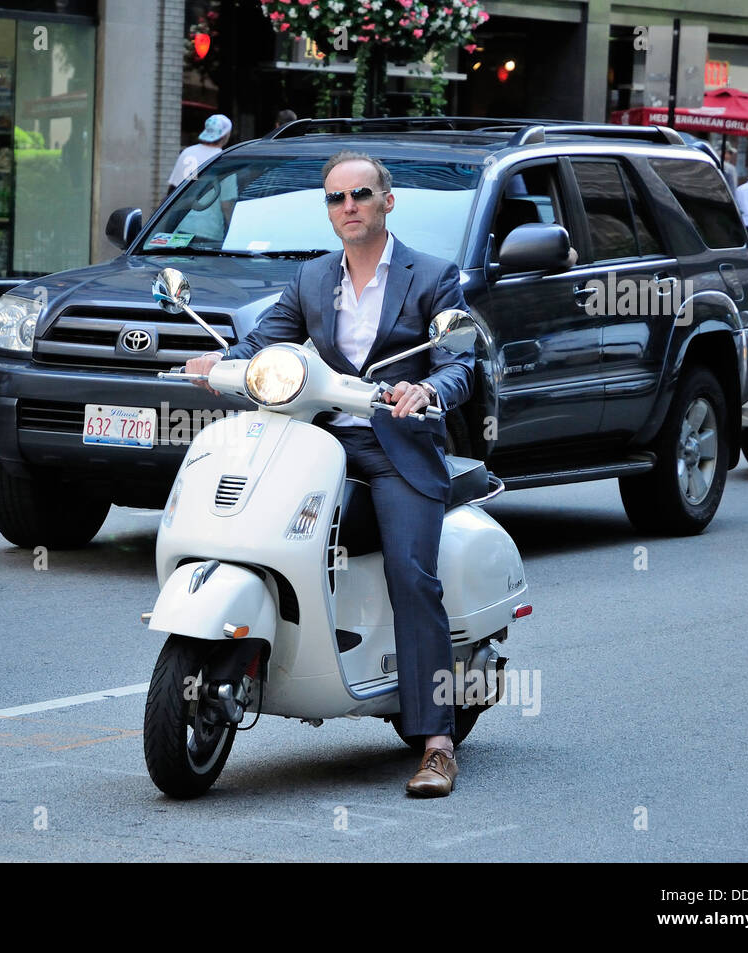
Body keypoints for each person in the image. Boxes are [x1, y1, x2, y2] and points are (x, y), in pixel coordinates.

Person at [185, 150, 474, 797]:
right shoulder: (312, 278)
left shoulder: (431, 275)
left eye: (361, 194)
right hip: (323, 444)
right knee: (267, 529)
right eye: (336, 198)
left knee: (410, 572)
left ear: (386, 202)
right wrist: (219, 363)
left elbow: (459, 362)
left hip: (398, 449)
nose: (348, 207)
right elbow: (267, 341)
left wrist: (427, 393)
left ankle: (435, 742)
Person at [167, 114, 231, 195]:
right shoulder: (224, 159)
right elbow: (227, 202)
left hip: (181, 206)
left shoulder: (187, 152)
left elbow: (172, 188)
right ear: (225, 135)